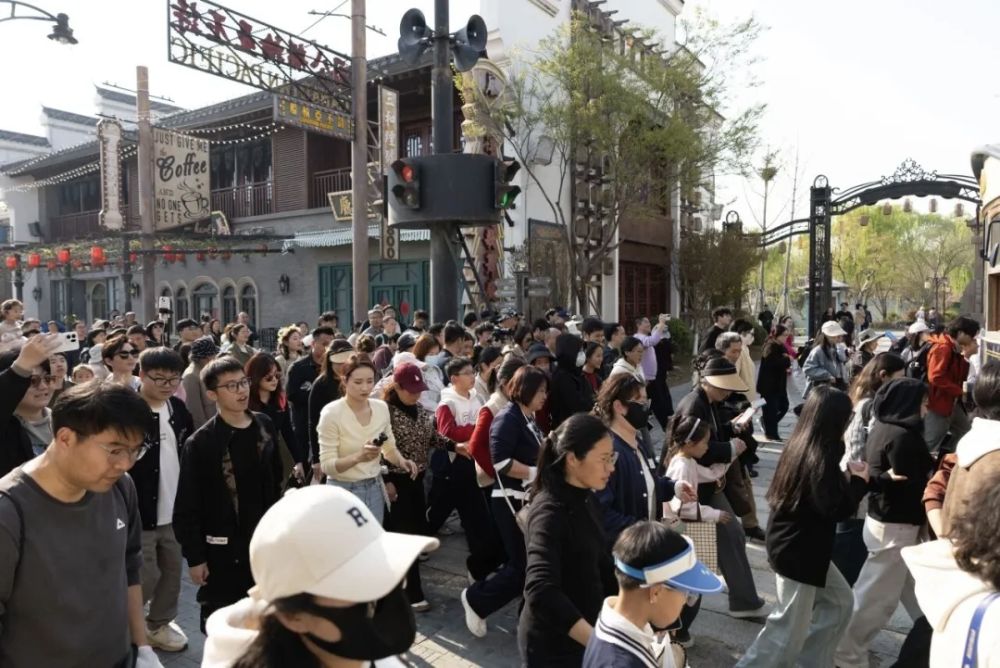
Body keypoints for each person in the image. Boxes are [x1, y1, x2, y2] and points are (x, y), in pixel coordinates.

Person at [0, 382, 161, 668]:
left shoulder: (120, 487)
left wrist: (143, 647)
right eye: (115, 450)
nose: (125, 464)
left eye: (135, 451)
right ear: (65, 438)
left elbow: (129, 567)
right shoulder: (9, 512)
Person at [201, 485, 439, 668]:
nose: (386, 590)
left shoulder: (382, 660)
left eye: (388, 569)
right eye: (359, 584)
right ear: (292, 617)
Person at [737, 386, 869, 667]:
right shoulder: (821, 453)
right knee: (786, 633)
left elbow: (822, 498)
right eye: (848, 417)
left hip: (802, 544)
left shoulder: (804, 440)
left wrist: (847, 478)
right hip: (798, 550)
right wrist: (859, 482)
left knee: (839, 603)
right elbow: (837, 509)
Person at [173, 357, 284, 631]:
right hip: (223, 549)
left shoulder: (264, 425)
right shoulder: (201, 443)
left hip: (264, 542)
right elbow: (188, 504)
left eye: (243, 382)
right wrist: (195, 558)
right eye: (231, 386)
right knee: (224, 623)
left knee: (266, 621)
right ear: (212, 394)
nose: (242, 390)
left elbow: (276, 478)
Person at [834, 378, 935, 668]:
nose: (927, 409)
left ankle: (930, 639)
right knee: (874, 601)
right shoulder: (903, 436)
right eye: (923, 403)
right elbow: (909, 482)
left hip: (888, 524)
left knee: (919, 595)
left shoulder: (884, 427)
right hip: (895, 527)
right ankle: (845, 654)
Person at [673, 356, 768, 630]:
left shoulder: (709, 401)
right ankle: (679, 624)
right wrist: (729, 449)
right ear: (707, 382)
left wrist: (731, 429)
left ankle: (744, 600)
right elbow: (695, 446)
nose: (727, 392)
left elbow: (708, 437)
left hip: (706, 484)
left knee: (731, 536)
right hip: (693, 490)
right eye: (723, 386)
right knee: (698, 553)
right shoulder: (694, 405)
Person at [519, 414, 618, 666]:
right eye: (604, 459)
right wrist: (597, 642)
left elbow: (601, 563)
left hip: (587, 631)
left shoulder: (586, 497)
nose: (611, 468)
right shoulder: (549, 512)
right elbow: (540, 590)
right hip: (555, 647)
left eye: (612, 458)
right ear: (572, 459)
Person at [462, 366, 548, 638]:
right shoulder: (507, 418)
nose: (544, 396)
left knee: (530, 566)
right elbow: (501, 463)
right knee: (521, 567)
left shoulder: (527, 417)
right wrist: (535, 472)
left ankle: (529, 621)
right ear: (526, 390)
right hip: (511, 503)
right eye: (540, 391)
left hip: (526, 500)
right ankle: (477, 600)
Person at [584, 521, 723, 668]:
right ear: (656, 592)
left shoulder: (617, 626)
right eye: (685, 592)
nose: (685, 601)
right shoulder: (619, 663)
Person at [132, 347, 194, 653]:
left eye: (174, 379)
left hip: (174, 509)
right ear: (142, 375)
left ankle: (158, 623)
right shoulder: (128, 411)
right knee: (145, 574)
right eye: (159, 379)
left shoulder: (178, 409)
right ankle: (127, 625)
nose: (167, 385)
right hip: (138, 511)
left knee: (172, 572)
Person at [382, 363, 457, 611]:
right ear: (397, 387)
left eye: (419, 390)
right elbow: (378, 448)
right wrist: (386, 480)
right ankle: (412, 593)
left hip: (418, 479)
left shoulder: (420, 409)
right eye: (411, 390)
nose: (416, 394)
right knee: (405, 535)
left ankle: (404, 584)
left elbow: (433, 436)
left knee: (417, 531)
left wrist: (455, 446)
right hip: (397, 481)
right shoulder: (385, 412)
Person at [594, 374, 695, 549]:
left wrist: (673, 487)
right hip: (624, 551)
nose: (645, 407)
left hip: (645, 547)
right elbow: (602, 513)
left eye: (646, 400)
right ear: (619, 407)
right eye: (639, 400)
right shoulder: (608, 452)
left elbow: (647, 482)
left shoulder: (637, 442)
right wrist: (646, 531)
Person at [833, 352, 907, 586]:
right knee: (849, 551)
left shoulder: (865, 399)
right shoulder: (869, 404)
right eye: (899, 378)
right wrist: (871, 479)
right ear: (883, 376)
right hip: (857, 484)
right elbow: (857, 451)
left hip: (859, 481)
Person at [316, 354, 418, 523]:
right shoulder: (331, 413)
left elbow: (389, 448)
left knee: (374, 537)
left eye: (370, 381)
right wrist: (359, 457)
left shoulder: (381, 408)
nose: (365, 388)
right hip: (343, 490)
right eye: (358, 382)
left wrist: (401, 461)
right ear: (344, 380)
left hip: (374, 487)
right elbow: (327, 466)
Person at [0, 334, 62, 477]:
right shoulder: (7, 427)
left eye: (48, 378)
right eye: (33, 381)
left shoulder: (67, 420)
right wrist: (22, 366)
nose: (43, 386)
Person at [924, 316, 979, 452]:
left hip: (950, 403)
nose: (973, 340)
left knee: (966, 433)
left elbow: (959, 376)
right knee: (931, 441)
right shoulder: (943, 348)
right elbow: (935, 377)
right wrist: (959, 391)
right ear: (960, 333)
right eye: (971, 336)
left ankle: (948, 457)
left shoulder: (953, 348)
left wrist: (966, 356)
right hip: (937, 404)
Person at [663, 415, 732, 525]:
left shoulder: (688, 461)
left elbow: (710, 474)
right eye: (705, 442)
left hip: (679, 523)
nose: (707, 447)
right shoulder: (682, 467)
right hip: (677, 526)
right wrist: (714, 514)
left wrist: (731, 455)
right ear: (690, 443)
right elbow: (683, 508)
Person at [247, 352, 304, 483]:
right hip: (251, 459)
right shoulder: (246, 401)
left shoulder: (280, 399)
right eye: (269, 377)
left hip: (275, 456)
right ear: (256, 376)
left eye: (277, 375)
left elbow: (288, 432)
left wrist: (298, 461)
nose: (274, 380)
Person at [287, 327, 335, 476]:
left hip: (331, 429)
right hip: (305, 429)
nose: (327, 348)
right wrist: (316, 395)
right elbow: (292, 395)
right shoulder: (298, 368)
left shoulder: (335, 368)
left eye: (331, 344)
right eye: (324, 344)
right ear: (313, 343)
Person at [307, 339, 353, 483]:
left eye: (345, 362)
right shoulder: (321, 385)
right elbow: (313, 423)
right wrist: (316, 459)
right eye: (338, 362)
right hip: (329, 448)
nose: (342, 366)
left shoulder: (355, 381)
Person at [550, 332, 596, 429]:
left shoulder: (577, 373)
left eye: (582, 350)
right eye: (579, 351)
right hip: (568, 428)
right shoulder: (561, 377)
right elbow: (577, 405)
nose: (582, 354)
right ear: (569, 352)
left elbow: (591, 396)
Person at [635, 315, 673, 429]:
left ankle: (664, 426)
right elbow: (652, 341)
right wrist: (661, 323)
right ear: (638, 325)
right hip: (645, 379)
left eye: (649, 322)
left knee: (657, 403)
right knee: (657, 405)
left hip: (651, 378)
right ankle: (667, 428)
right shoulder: (638, 338)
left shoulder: (645, 337)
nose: (649, 324)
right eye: (645, 322)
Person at [757, 326, 791, 441]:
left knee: (784, 406)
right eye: (784, 335)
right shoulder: (770, 346)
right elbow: (775, 364)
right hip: (769, 386)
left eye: (787, 335)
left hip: (779, 385)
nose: (786, 337)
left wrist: (786, 359)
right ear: (777, 335)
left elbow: (786, 359)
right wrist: (786, 359)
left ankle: (766, 423)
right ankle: (772, 433)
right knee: (771, 410)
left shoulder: (781, 346)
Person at [802, 321, 848, 397]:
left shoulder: (836, 347)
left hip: (836, 386)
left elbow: (842, 362)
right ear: (827, 336)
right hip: (822, 389)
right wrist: (826, 375)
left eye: (839, 335)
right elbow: (808, 369)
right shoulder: (818, 351)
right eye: (835, 336)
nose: (838, 338)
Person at [182, 336, 219, 430]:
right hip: (206, 430)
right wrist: (206, 433)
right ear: (207, 357)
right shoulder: (191, 376)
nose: (216, 358)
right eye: (214, 355)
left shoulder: (203, 370)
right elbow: (195, 412)